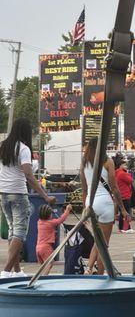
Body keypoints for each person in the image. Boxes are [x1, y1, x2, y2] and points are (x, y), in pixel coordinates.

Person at [0, 118, 55, 279]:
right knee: (19, 232)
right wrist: (45, 196)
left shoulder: (4, 147)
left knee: (12, 231)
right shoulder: (23, 149)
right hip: (18, 193)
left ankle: (16, 271)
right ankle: (6, 271)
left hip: (3, 194)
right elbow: (29, 175)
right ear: (25, 132)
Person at [80, 137, 129, 274]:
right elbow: (114, 187)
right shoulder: (108, 162)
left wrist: (86, 207)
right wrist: (122, 209)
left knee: (97, 240)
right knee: (103, 244)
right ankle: (100, 276)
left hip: (90, 203)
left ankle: (89, 268)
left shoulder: (84, 163)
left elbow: (84, 188)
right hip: (105, 203)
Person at [36, 204, 72, 275]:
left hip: (38, 247)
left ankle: (39, 276)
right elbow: (61, 219)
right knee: (50, 263)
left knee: (43, 265)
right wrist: (67, 210)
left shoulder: (39, 222)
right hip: (46, 247)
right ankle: (44, 277)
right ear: (49, 215)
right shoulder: (51, 223)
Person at [115, 160, 135, 234]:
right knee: (125, 212)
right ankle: (126, 228)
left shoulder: (116, 173)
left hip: (120, 195)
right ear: (120, 165)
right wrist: (128, 174)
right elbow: (131, 180)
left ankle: (122, 227)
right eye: (125, 165)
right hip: (125, 195)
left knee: (122, 212)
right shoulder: (122, 173)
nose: (126, 166)